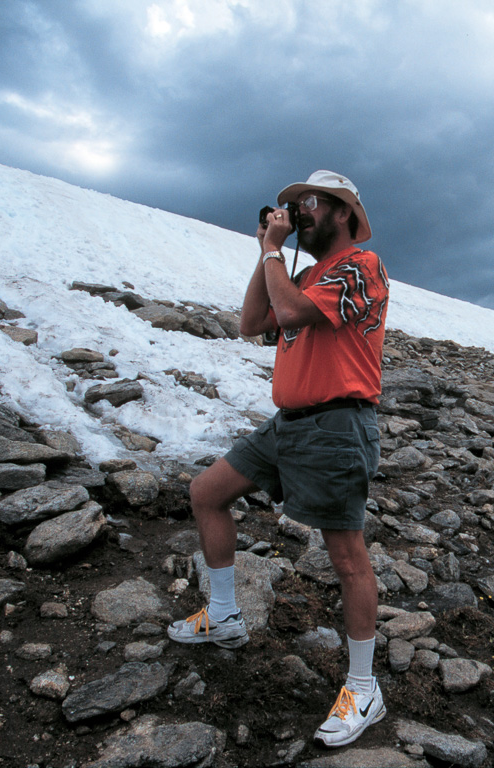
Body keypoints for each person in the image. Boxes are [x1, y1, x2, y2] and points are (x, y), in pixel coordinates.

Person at [167, 170, 389, 749]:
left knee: (345, 555)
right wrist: (266, 254)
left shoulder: (361, 266)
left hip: (337, 427)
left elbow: (289, 316)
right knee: (207, 492)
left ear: (343, 212)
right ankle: (223, 613)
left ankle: (364, 689)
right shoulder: (307, 274)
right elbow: (252, 325)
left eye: (310, 204)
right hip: (287, 424)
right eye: (294, 205)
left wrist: (273, 251)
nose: (300, 212)